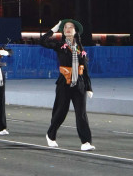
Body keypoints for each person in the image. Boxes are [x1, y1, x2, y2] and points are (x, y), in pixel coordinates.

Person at [40, 19, 95, 151]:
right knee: (61, 112)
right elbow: (42, 41)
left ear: (75, 32)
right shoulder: (60, 45)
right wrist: (53, 29)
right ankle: (50, 135)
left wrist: (88, 87)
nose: (68, 29)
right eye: (65, 27)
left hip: (79, 84)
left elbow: (85, 69)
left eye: (71, 27)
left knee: (81, 114)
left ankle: (86, 142)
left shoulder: (80, 48)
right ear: (63, 31)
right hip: (64, 83)